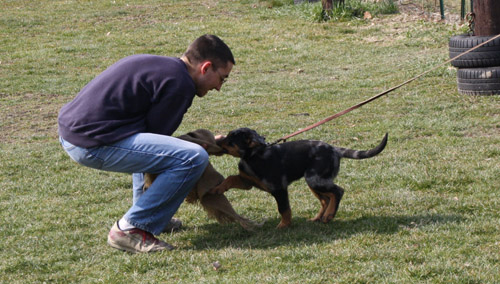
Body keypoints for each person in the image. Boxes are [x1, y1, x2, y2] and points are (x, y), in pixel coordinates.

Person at [57, 34, 235, 253]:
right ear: (206, 67)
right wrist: (198, 145)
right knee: (192, 157)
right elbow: (157, 146)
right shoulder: (180, 84)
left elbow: (149, 140)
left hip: (75, 133)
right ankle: (131, 229)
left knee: (178, 153)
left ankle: (147, 218)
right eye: (222, 78)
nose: (219, 87)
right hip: (90, 143)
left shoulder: (165, 68)